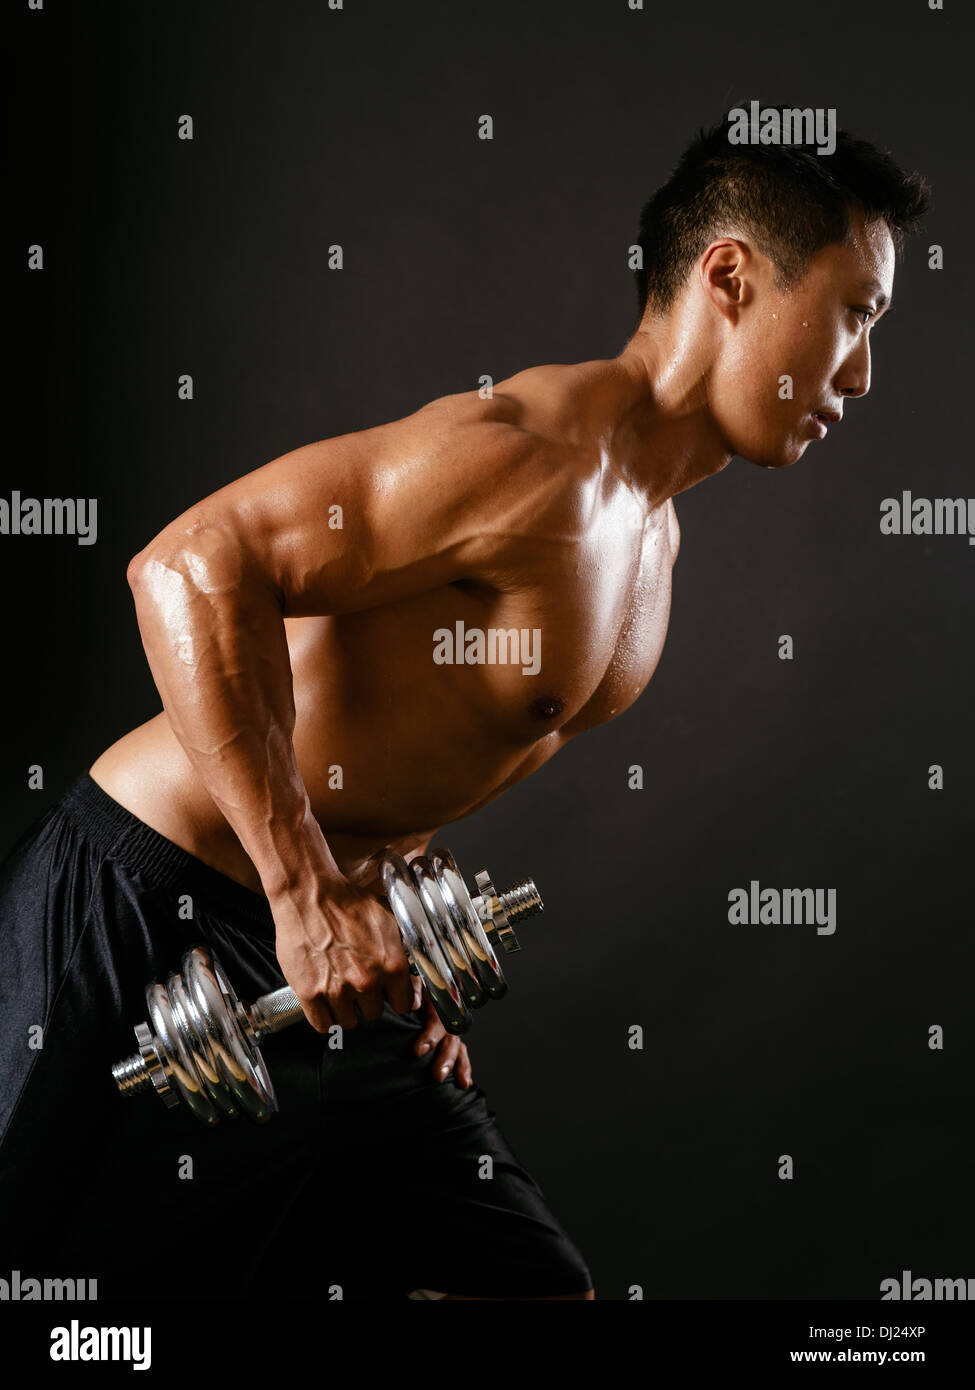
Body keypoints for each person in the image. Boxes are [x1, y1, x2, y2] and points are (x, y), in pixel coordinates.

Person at [0, 108, 929, 1302]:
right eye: (857, 315)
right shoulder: (529, 455)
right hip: (139, 900)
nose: (862, 372)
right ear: (733, 277)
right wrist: (303, 898)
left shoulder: (656, 538)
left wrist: (401, 957)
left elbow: (413, 745)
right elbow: (188, 564)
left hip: (329, 949)